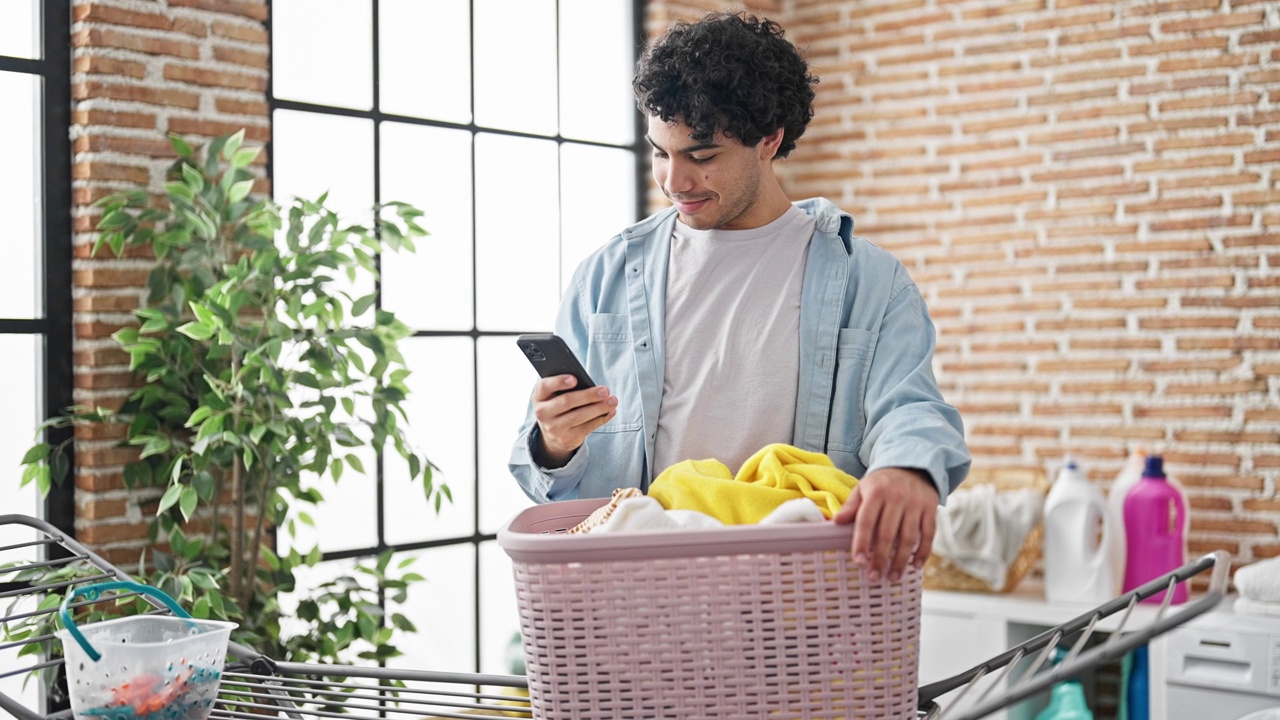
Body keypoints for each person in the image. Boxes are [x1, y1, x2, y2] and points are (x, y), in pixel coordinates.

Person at [509, 11, 970, 584]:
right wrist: (554, 441)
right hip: (639, 594)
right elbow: (544, 479)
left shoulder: (869, 282)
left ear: (769, 140)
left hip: (801, 596)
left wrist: (908, 470)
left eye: (700, 157)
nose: (674, 181)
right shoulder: (605, 276)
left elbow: (914, 409)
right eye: (660, 153)